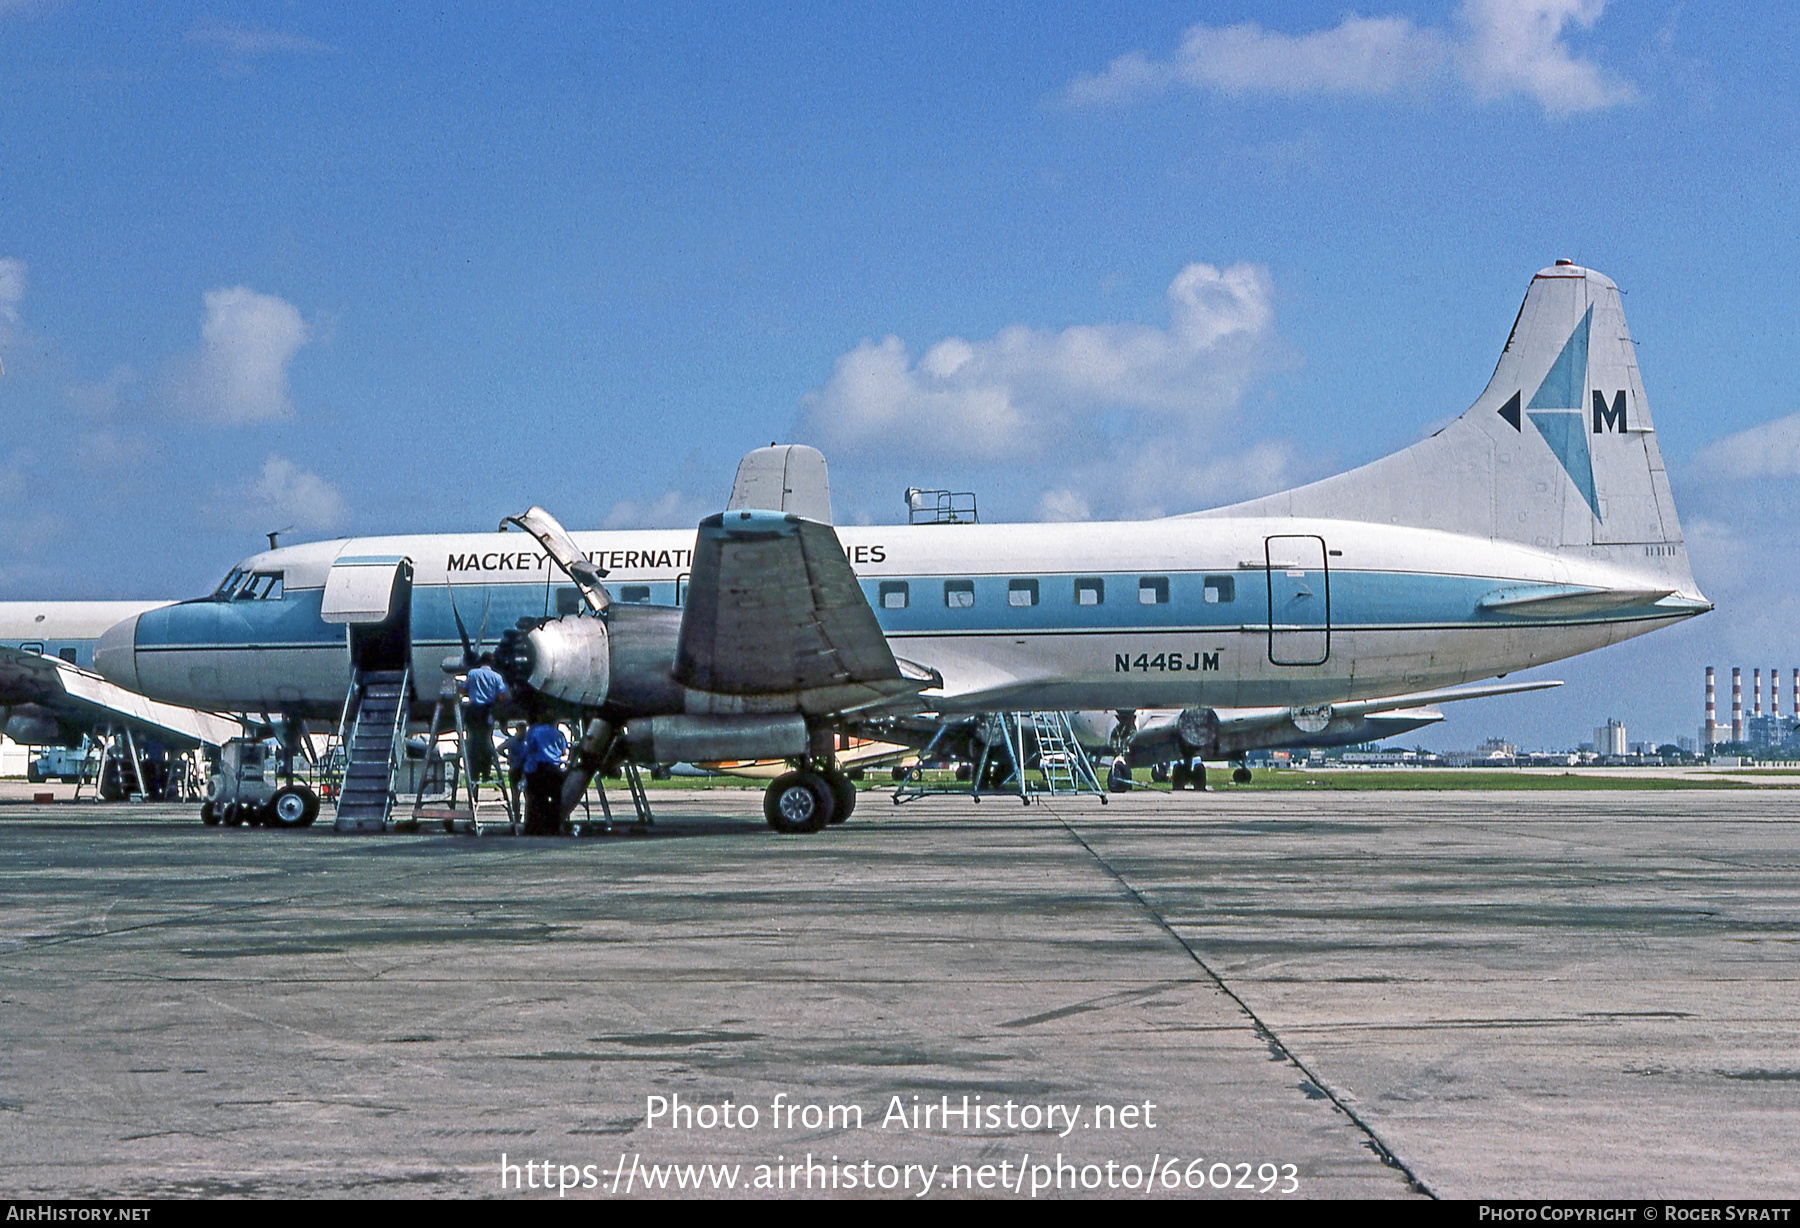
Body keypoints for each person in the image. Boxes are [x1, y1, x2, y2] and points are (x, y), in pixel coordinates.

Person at [520, 718, 569, 836]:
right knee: (556, 798)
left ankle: (535, 827)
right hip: (555, 768)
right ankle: (554, 827)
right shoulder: (559, 734)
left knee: (537, 799)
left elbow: (531, 748)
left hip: (539, 768)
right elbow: (564, 752)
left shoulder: (536, 731)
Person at [463, 653, 508, 780]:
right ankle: (486, 772)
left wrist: (473, 691)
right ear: (492, 662)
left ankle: (473, 773)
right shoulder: (497, 677)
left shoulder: (472, 673)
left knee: (472, 741)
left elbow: (462, 689)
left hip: (472, 711)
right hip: (487, 712)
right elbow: (501, 696)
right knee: (486, 740)